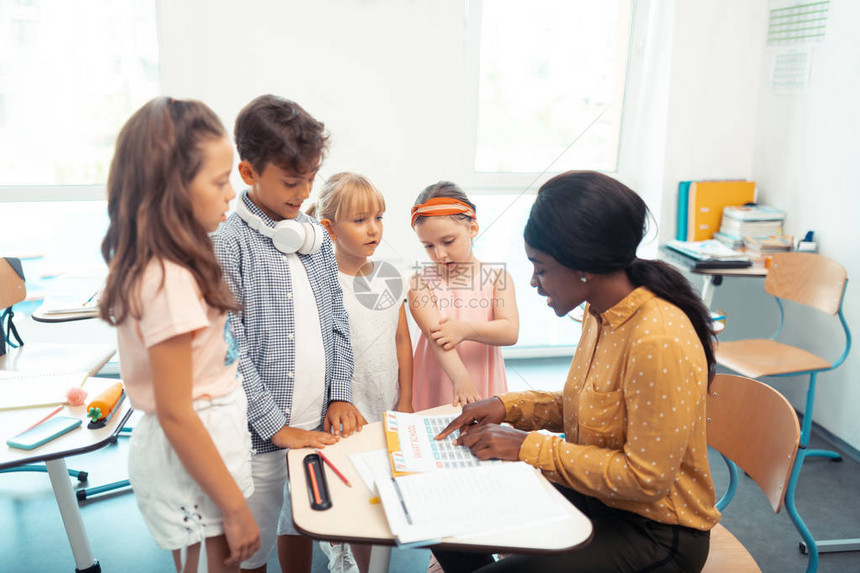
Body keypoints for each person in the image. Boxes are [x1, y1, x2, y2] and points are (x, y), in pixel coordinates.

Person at [434, 171, 720, 573]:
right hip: (599, 497)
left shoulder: (658, 338)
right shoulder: (599, 311)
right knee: (446, 515)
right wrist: (505, 406)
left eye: (542, 268)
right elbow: (584, 405)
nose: (533, 282)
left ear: (584, 266)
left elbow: (646, 479)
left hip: (655, 531)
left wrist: (525, 446)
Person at [100, 97, 260, 573]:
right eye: (218, 181)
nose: (231, 193)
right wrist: (233, 507)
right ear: (172, 189)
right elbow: (174, 411)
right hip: (194, 449)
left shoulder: (175, 264)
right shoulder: (167, 281)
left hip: (210, 439)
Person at [214, 95, 366, 573]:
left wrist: (340, 394)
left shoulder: (313, 238)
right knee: (253, 542)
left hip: (315, 418)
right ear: (248, 172)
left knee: (301, 521)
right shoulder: (227, 244)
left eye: (310, 179)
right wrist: (275, 427)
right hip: (259, 432)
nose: (303, 191)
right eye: (290, 180)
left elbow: (337, 322)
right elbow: (228, 348)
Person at [308, 172, 414, 572]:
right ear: (328, 227)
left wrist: (405, 399)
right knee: (349, 487)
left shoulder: (389, 275)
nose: (374, 229)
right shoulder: (321, 284)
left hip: (385, 399)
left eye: (379, 217)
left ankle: (367, 562)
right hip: (343, 406)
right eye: (360, 220)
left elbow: (402, 341)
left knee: (376, 490)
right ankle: (342, 550)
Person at [408, 181, 519, 410]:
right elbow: (435, 336)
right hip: (439, 379)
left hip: (483, 378)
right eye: (428, 246)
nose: (439, 254)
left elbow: (510, 331)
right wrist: (460, 378)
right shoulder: (420, 283)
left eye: (448, 242)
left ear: (473, 229)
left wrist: (465, 329)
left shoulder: (498, 278)